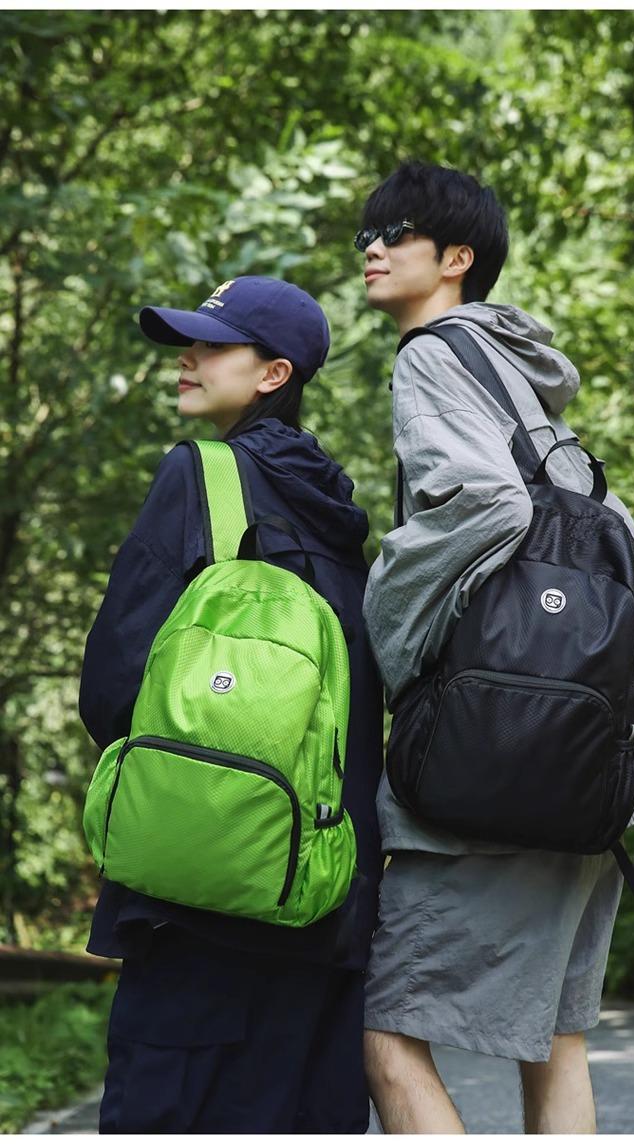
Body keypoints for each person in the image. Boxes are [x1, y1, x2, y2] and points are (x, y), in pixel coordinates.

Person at [355, 161, 634, 1134]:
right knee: (553, 1040)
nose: (372, 249)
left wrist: (387, 634)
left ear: (456, 258)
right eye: (367, 234)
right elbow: (614, 536)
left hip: (494, 760)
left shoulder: (432, 357)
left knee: (388, 1035)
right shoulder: (522, 383)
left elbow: (484, 504)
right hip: (582, 762)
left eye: (396, 232)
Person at [79, 275, 383, 1133]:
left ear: (273, 374)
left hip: (198, 899)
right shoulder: (339, 514)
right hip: (322, 891)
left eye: (213, 346)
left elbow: (113, 683)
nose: (188, 358)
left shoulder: (200, 476)